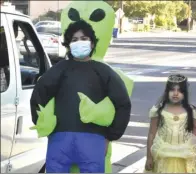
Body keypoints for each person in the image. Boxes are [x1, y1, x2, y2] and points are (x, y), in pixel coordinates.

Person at [30, 19, 131, 173]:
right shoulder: (59, 70)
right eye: (74, 40)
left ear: (92, 43)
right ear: (68, 45)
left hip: (90, 140)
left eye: (84, 39)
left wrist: (111, 136)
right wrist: (45, 126)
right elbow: (38, 97)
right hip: (63, 139)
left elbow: (123, 103)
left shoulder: (103, 71)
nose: (79, 43)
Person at [145, 74, 196, 173]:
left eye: (180, 91)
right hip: (163, 157)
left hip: (185, 156)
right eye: (172, 90)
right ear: (167, 91)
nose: (175, 93)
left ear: (184, 93)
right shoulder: (158, 111)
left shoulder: (191, 111)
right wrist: (149, 158)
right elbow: (151, 134)